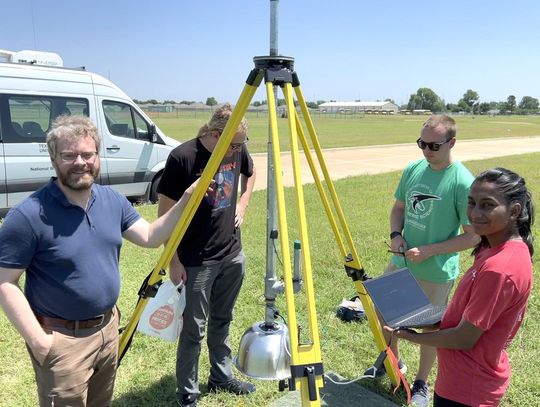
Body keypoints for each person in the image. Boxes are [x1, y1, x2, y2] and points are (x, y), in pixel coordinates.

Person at [0, 115, 200, 407]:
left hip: (108, 330)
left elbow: (149, 236)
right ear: (53, 158)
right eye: (69, 155)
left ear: (98, 155)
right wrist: (41, 342)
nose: (80, 162)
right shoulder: (28, 215)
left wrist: (186, 199)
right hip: (62, 340)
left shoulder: (112, 200)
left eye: (87, 154)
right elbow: (5, 283)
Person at [387, 167, 534, 406]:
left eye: (487, 205)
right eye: (471, 203)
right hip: (461, 380)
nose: (475, 213)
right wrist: (423, 320)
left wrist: (408, 336)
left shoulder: (500, 267)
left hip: (467, 388)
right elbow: (468, 314)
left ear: (514, 211)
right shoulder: (493, 248)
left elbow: (464, 338)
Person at [367, 114, 480, 406]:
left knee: (430, 328)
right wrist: (395, 235)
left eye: (433, 145)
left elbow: (472, 236)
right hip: (401, 262)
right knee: (386, 314)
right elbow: (398, 208)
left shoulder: (463, 182)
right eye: (422, 144)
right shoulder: (414, 169)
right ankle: (394, 362)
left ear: (452, 142)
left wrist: (430, 250)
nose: (426, 150)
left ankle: (421, 382)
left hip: (435, 271)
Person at [157, 103, 256, 407]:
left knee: (223, 319)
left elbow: (250, 175)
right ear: (215, 134)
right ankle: (188, 392)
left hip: (231, 253)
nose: (238, 150)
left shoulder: (236, 148)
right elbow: (164, 215)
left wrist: (243, 203)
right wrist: (173, 261)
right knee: (193, 330)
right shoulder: (182, 157)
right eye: (235, 144)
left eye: (242, 144)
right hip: (197, 260)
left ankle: (221, 377)